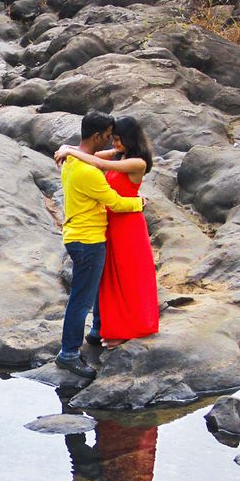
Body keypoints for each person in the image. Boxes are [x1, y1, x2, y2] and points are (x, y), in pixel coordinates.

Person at [53, 111, 145, 380]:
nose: (109, 141)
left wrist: (66, 148)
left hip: (79, 235)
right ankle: (68, 354)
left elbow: (104, 160)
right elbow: (115, 203)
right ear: (97, 136)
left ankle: (97, 330)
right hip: (88, 240)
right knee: (81, 299)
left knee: (95, 288)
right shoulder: (87, 172)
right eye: (107, 136)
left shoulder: (72, 161)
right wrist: (139, 203)